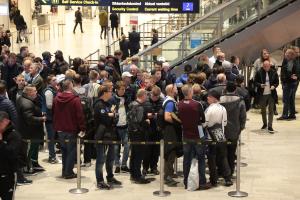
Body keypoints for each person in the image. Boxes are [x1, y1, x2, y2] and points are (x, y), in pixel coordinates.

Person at [178, 84, 211, 190]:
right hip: (198, 134)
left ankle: (186, 182)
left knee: (186, 159)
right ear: (190, 92)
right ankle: (201, 182)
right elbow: (203, 120)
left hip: (186, 134)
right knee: (201, 158)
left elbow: (179, 117)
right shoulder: (197, 104)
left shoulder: (179, 104)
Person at [53, 79, 86, 179]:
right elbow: (80, 116)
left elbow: (53, 113)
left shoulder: (56, 98)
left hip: (60, 129)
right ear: (70, 86)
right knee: (72, 151)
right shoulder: (75, 100)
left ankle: (65, 171)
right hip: (71, 129)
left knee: (64, 151)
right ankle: (68, 172)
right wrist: (83, 128)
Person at [93, 85, 122, 189]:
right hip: (102, 135)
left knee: (111, 158)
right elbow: (104, 118)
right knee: (100, 159)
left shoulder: (108, 104)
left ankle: (110, 177)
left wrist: (111, 115)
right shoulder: (98, 104)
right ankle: (100, 180)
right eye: (110, 91)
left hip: (111, 134)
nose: (112, 93)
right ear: (104, 92)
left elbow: (114, 118)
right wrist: (110, 115)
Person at [204, 90, 232, 187]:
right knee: (223, 158)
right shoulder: (223, 108)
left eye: (209, 96)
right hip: (221, 136)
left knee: (212, 159)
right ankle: (228, 178)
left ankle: (213, 180)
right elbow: (224, 123)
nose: (207, 98)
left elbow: (204, 123)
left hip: (210, 137)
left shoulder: (209, 109)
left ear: (214, 98)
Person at [16, 85, 46, 174]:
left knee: (33, 149)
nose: (36, 92)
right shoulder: (27, 103)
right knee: (28, 151)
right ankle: (27, 168)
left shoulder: (25, 100)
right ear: (29, 93)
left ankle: (34, 164)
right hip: (29, 132)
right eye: (35, 91)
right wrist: (42, 119)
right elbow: (29, 119)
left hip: (32, 131)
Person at [220, 82, 246, 176]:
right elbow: (243, 117)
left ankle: (223, 172)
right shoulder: (240, 101)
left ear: (226, 89)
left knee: (222, 153)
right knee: (231, 153)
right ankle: (230, 172)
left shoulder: (220, 100)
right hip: (235, 130)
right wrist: (240, 128)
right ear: (235, 89)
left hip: (222, 130)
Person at [127, 89, 151, 184]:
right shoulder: (140, 107)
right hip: (139, 134)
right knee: (138, 156)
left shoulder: (131, 104)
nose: (147, 97)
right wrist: (147, 122)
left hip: (132, 133)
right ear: (143, 95)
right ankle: (137, 176)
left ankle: (133, 174)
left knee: (133, 154)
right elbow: (139, 121)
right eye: (146, 95)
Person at [162, 84, 182, 186]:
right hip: (171, 131)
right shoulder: (170, 102)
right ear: (170, 91)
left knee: (171, 154)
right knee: (170, 153)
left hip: (171, 130)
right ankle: (168, 177)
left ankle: (168, 174)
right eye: (175, 89)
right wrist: (177, 123)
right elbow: (167, 117)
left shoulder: (170, 100)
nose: (177, 90)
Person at [142, 86, 163, 176]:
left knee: (156, 150)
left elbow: (163, 114)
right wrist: (147, 116)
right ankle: (145, 167)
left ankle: (154, 167)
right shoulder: (145, 101)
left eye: (157, 96)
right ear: (150, 94)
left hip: (158, 129)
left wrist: (157, 115)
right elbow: (141, 114)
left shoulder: (162, 101)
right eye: (154, 96)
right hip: (147, 128)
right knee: (147, 149)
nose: (155, 98)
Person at [0, 111, 21, 200]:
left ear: (6, 121)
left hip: (8, 175)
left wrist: (1, 142)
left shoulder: (14, 135)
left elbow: (13, 155)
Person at [254, 60, 279, 133]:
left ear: (270, 66)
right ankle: (265, 124)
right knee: (263, 110)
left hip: (271, 94)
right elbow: (255, 82)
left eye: (267, 66)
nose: (266, 68)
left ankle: (270, 126)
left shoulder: (274, 72)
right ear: (263, 66)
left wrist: (274, 86)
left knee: (271, 110)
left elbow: (277, 82)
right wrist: (260, 85)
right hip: (262, 94)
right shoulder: (259, 72)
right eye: (264, 66)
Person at [111, 81, 130, 173]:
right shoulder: (112, 99)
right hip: (116, 127)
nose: (123, 91)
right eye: (122, 89)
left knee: (127, 146)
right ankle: (117, 164)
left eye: (124, 89)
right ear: (117, 89)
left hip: (125, 126)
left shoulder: (127, 98)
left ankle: (124, 164)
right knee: (115, 147)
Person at [278, 49, 299, 120]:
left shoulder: (291, 62)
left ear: (291, 55)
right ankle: (292, 114)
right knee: (291, 100)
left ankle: (284, 115)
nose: (285, 54)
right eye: (285, 53)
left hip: (289, 83)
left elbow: (288, 74)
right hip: (291, 83)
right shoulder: (287, 60)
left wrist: (284, 79)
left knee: (286, 100)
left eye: (287, 53)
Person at [43, 75, 58, 164]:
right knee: (51, 138)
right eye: (53, 80)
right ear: (49, 82)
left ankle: (52, 155)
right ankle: (52, 156)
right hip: (50, 118)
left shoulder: (53, 89)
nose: (56, 81)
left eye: (55, 79)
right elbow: (49, 105)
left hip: (53, 118)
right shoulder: (49, 91)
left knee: (53, 138)